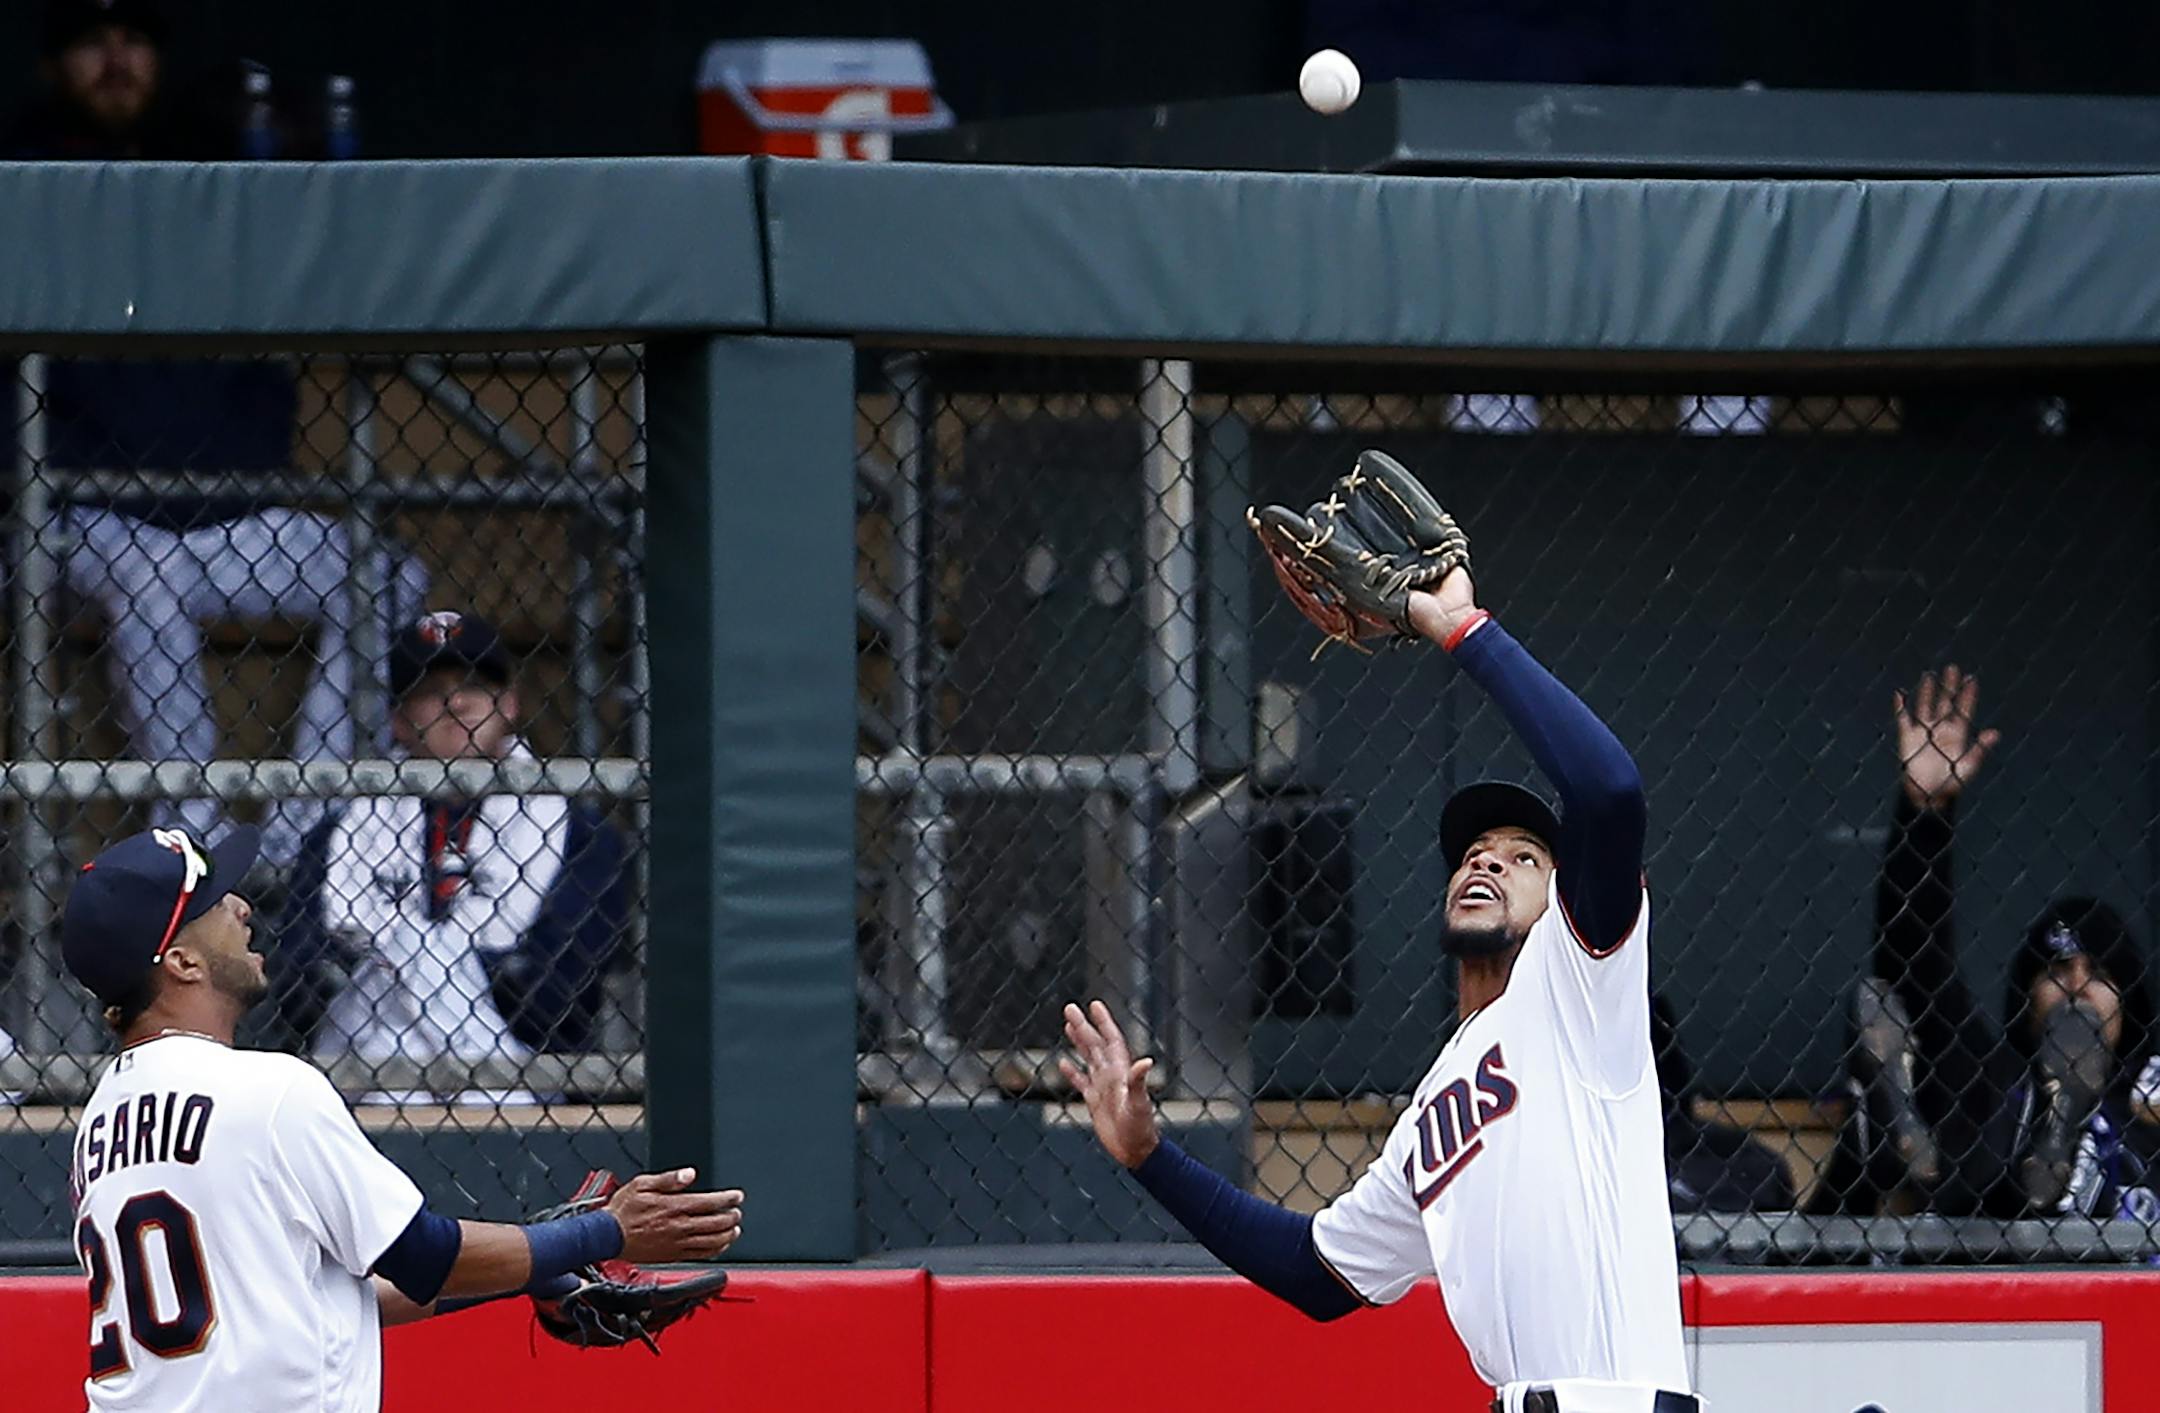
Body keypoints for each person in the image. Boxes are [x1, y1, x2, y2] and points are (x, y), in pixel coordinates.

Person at [1062, 460, 1692, 1412]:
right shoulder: (1437, 1102)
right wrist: (1153, 1155)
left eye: (1521, 855)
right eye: (1473, 849)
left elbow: (1607, 790)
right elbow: (1319, 1274)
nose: (1484, 861)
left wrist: (1460, 628)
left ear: (1567, 894)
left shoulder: (1581, 983)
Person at [60, 822, 742, 1410]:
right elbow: (426, 1256)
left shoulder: (99, 1121)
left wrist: (531, 1262)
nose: (241, 907)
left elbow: (323, 1296)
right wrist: (607, 1233)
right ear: (180, 959)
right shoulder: (267, 1093)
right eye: (212, 901)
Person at [9, 0, 430, 868]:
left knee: (385, 571)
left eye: (134, 39)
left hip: (215, 517)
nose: (117, 59)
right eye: (93, 43)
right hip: (76, 525)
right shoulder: (24, 178)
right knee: (143, 569)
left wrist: (211, 486)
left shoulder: (212, 172)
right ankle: (192, 827)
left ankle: (296, 825)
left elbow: (267, 383)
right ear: (54, 65)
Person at [1808, 666, 2159, 1220]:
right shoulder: (1991, 1080)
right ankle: (2036, 1155)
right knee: (1983, 1128)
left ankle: (2054, 1142)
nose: (2075, 987)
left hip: (2131, 1294)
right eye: (2056, 969)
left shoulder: (2152, 1105)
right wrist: (1924, 817)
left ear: (2132, 997)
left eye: (2101, 973)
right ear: (2025, 992)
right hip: (2002, 1279)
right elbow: (1914, 964)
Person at [264, 611, 626, 1092]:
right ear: (398, 721)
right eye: (431, 691)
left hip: (518, 1071)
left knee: (416, 954)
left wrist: (413, 961)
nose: (456, 703)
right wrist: (467, 968)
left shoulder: (579, 831)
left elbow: (561, 992)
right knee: (416, 961)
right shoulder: (340, 830)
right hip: (365, 1061)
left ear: (510, 704)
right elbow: (298, 982)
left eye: (475, 686)